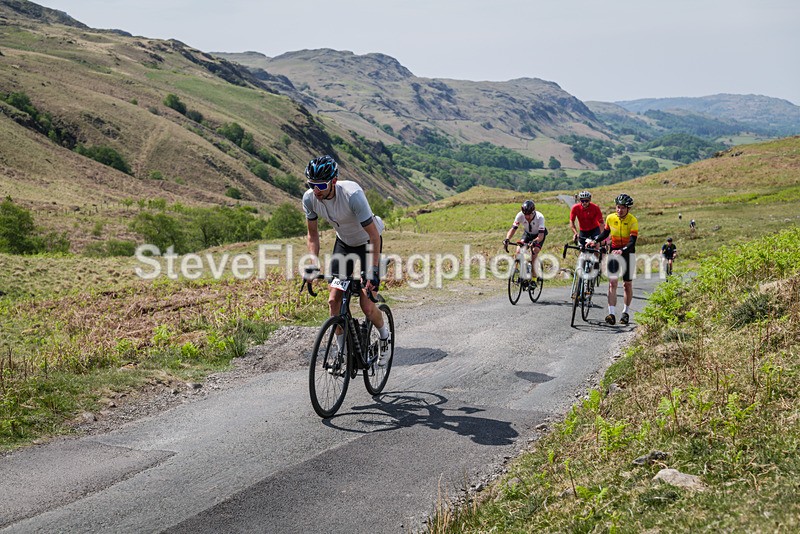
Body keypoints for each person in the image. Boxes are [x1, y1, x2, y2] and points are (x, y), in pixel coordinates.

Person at [302, 155, 390, 363]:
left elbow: (374, 236)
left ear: (334, 181)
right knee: (334, 301)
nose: (316, 190)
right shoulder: (309, 198)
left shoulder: (352, 195)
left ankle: (385, 336)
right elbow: (312, 236)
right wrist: (313, 263)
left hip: (368, 242)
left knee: (367, 306)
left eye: (321, 185)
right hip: (344, 244)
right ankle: (341, 353)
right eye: (312, 184)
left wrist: (374, 271)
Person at [588, 193, 638, 326]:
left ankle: (625, 312)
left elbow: (632, 242)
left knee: (627, 284)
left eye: (622, 208)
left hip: (628, 254)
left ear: (628, 209)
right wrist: (595, 240)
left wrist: (623, 250)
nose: (619, 210)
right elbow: (605, 233)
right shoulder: (610, 218)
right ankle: (611, 314)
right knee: (612, 283)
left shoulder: (633, 221)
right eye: (617, 207)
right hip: (614, 253)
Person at [504, 200, 547, 280]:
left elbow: (541, 235)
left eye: (529, 215)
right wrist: (507, 239)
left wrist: (535, 241)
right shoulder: (520, 215)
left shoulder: (540, 217)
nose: (526, 217)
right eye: (525, 215)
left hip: (538, 235)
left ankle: (534, 278)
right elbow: (513, 229)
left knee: (534, 254)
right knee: (518, 251)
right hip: (527, 234)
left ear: (533, 212)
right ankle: (521, 271)